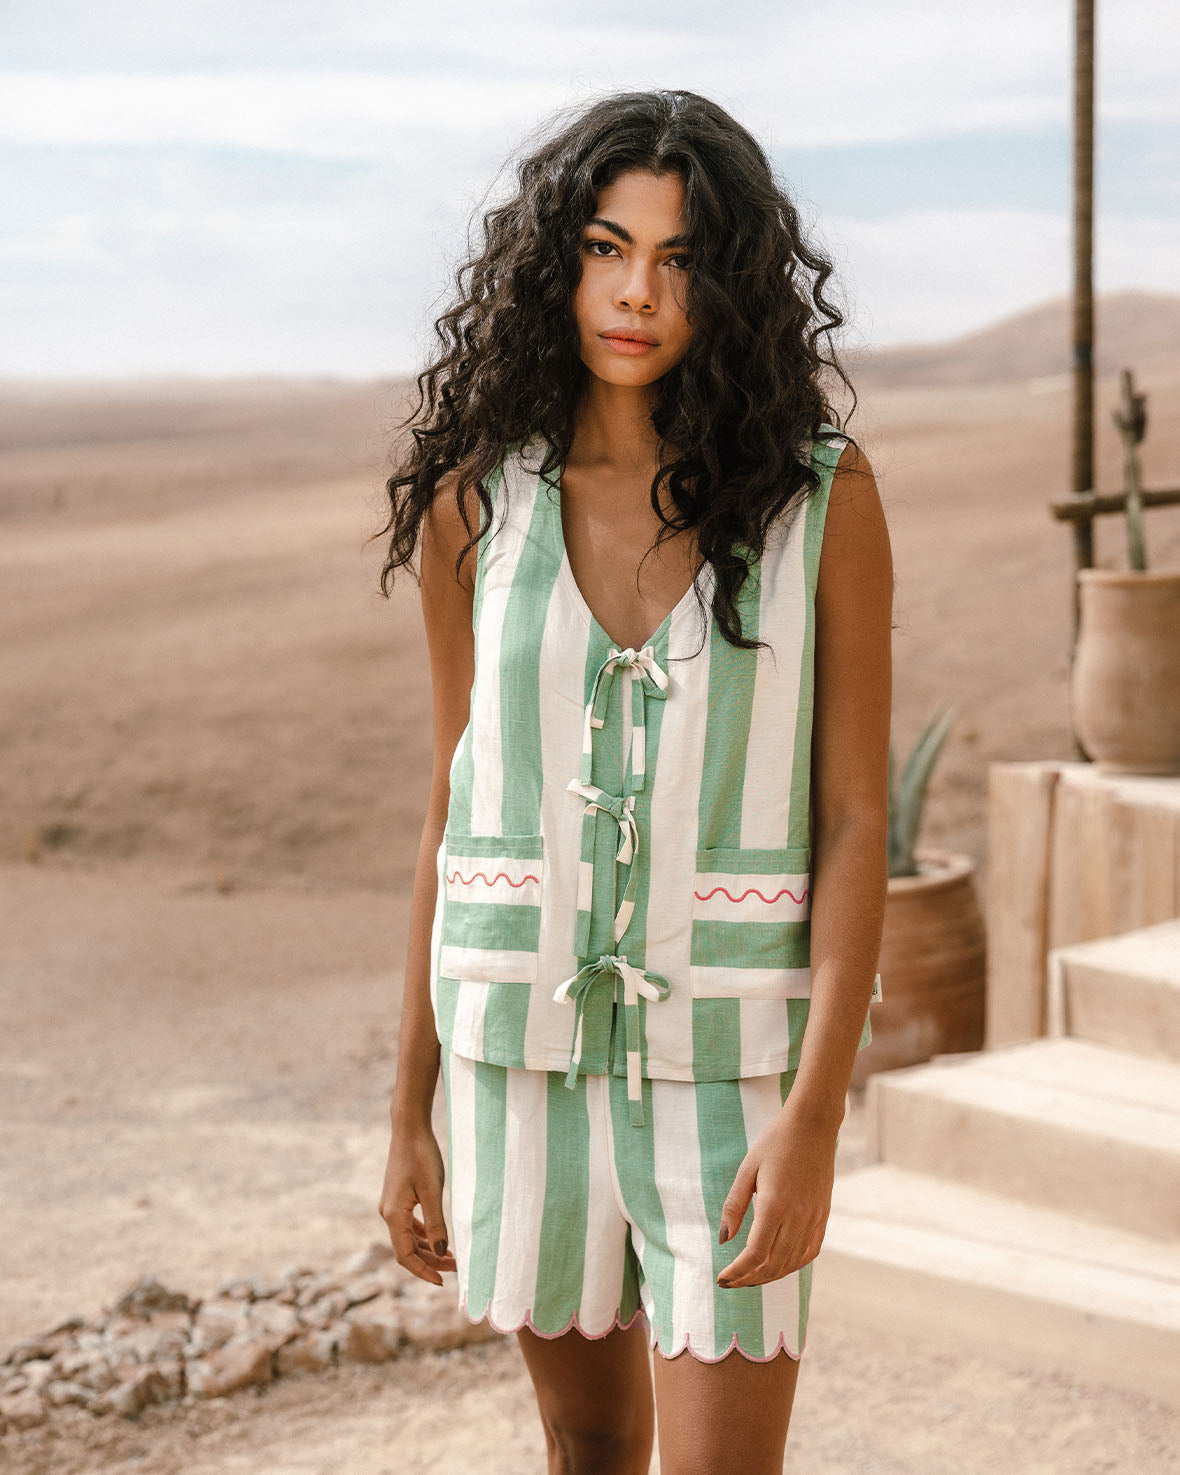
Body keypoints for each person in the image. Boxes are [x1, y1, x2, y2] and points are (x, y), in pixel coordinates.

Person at [373, 87, 892, 1474]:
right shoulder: (477, 503)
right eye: (607, 249)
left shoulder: (816, 500)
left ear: (732, 286)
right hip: (517, 1061)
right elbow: (452, 804)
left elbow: (855, 818)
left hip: (731, 1067)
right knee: (589, 1449)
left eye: (679, 260)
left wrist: (816, 1116)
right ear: (558, 265)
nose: (637, 295)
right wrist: (407, 1112)